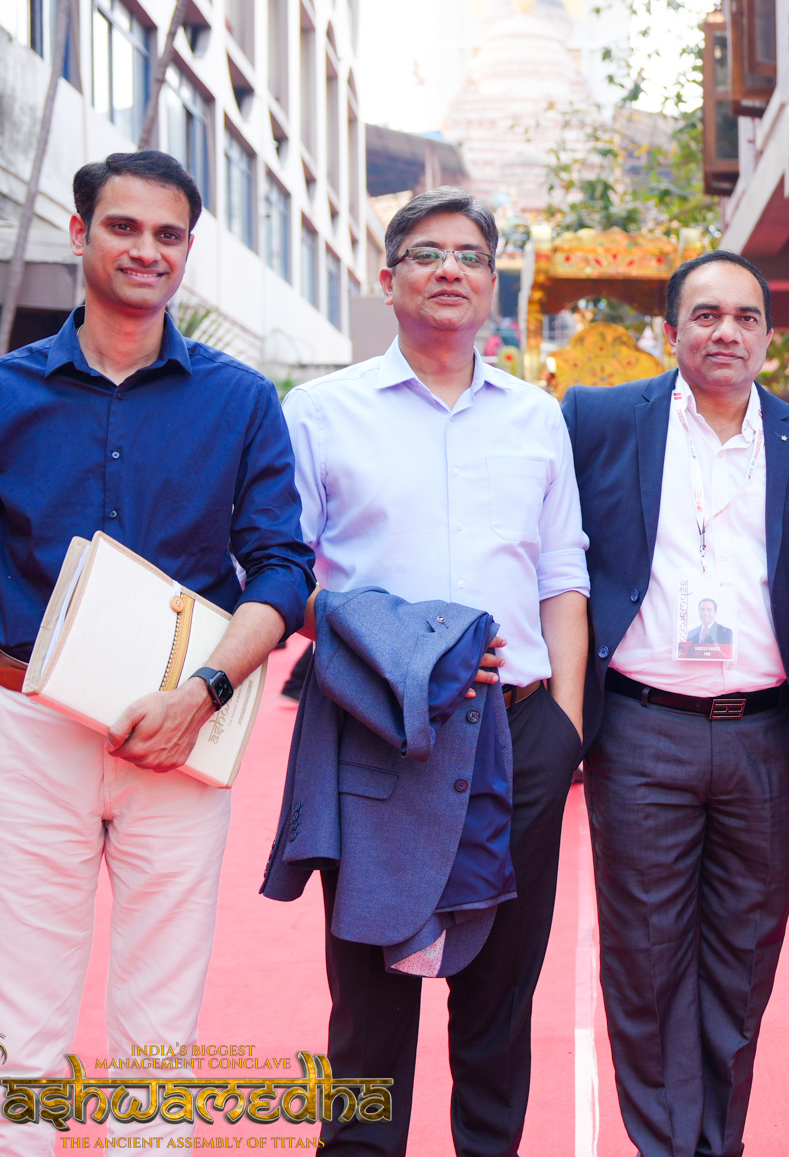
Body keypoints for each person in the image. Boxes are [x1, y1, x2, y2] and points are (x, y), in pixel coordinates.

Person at [0, 151, 315, 1156]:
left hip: (180, 737)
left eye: (169, 234)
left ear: (188, 249)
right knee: (13, 1022)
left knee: (159, 1035)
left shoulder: (241, 399)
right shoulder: (0, 393)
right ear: (80, 233)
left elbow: (282, 569)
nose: (146, 250)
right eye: (123, 227)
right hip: (31, 730)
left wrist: (203, 692)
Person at [278, 186, 591, 1156]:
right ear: (388, 279)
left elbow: (562, 574)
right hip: (376, 733)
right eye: (425, 253)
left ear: (491, 282)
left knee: (498, 999)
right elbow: (282, 576)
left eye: (469, 255)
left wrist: (565, 725)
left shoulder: (535, 416)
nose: (449, 269)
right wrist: (402, 648)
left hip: (518, 731)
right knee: (368, 1005)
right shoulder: (321, 412)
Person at [563, 250, 789, 1157]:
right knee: (646, 964)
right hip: (641, 731)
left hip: (768, 737)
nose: (725, 331)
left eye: (744, 316)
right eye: (705, 314)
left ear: (767, 335)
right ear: (671, 330)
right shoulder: (600, 419)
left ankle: (716, 1143)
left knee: (742, 965)